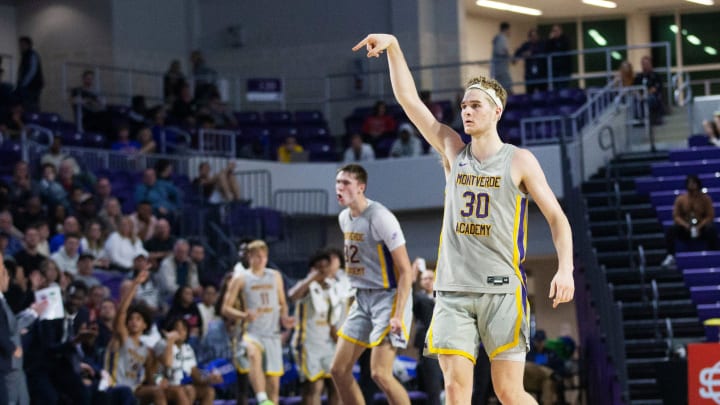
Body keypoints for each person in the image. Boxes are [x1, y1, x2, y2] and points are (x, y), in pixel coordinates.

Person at [352, 33, 575, 405]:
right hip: (453, 290)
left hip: (502, 290)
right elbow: (410, 101)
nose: (467, 111)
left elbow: (557, 217)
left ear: (496, 111)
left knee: (508, 391)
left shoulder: (519, 160)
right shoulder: (453, 149)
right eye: (463, 105)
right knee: (455, 389)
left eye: (475, 105)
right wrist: (394, 46)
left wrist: (565, 267)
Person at [330, 164, 414, 405]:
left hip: (388, 298)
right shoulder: (344, 217)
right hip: (362, 298)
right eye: (337, 182)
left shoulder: (380, 217)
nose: (339, 187)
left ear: (361, 187)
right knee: (338, 370)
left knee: (380, 373)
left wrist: (398, 314)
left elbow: (406, 271)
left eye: (345, 182)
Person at [221, 240, 295, 405]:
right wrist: (243, 315)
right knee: (253, 355)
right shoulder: (240, 278)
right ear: (249, 257)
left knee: (274, 387)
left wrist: (285, 317)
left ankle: (267, 400)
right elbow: (225, 308)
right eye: (257, 256)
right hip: (251, 331)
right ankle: (261, 398)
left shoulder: (275, 276)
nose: (261, 260)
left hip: (273, 333)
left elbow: (282, 303)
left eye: (263, 256)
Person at [288, 250, 348, 405]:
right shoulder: (306, 287)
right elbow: (292, 296)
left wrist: (338, 340)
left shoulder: (332, 289)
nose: (322, 270)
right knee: (314, 386)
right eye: (318, 267)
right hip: (307, 344)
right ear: (312, 270)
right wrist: (311, 278)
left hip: (327, 344)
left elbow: (332, 319)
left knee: (336, 385)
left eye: (325, 266)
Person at [105, 268, 167, 404]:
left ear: (145, 325)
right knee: (128, 393)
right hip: (113, 387)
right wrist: (135, 284)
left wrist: (159, 379)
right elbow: (121, 311)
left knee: (160, 391)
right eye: (131, 319)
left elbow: (151, 375)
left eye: (138, 319)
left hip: (134, 389)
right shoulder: (121, 337)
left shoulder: (147, 350)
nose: (134, 322)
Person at [661, 174, 718, 267]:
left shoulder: (705, 199)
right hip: (686, 229)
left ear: (698, 184)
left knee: (711, 229)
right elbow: (676, 216)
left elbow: (710, 216)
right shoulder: (680, 199)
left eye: (693, 183)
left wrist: (699, 227)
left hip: (701, 228)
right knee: (671, 230)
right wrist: (686, 225)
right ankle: (670, 255)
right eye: (689, 183)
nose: (691, 185)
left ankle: (714, 256)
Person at [633, 55, 664, 125]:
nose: (645, 66)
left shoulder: (656, 76)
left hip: (652, 97)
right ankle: (638, 119)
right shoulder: (638, 77)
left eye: (647, 64)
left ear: (650, 64)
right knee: (634, 100)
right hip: (640, 97)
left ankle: (652, 118)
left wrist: (645, 95)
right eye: (643, 64)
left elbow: (655, 88)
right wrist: (639, 95)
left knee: (649, 99)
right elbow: (634, 88)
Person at [15, 36, 44, 112]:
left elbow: (32, 71)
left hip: (32, 87)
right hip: (28, 86)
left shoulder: (32, 55)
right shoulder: (25, 56)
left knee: (31, 107)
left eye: (22, 44)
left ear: (28, 45)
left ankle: (33, 122)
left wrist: (23, 84)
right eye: (20, 45)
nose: (20, 47)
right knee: (26, 106)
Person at [514, 28, 547, 94]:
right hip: (530, 75)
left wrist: (531, 52)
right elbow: (518, 53)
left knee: (543, 93)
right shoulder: (526, 45)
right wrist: (522, 54)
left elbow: (543, 51)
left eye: (535, 36)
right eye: (532, 36)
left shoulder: (542, 44)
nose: (533, 38)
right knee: (530, 93)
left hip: (541, 74)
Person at [545, 25, 572, 89]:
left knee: (563, 87)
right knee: (555, 87)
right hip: (554, 69)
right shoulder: (551, 41)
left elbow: (566, 49)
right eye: (554, 31)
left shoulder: (565, 39)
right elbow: (546, 50)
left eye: (557, 30)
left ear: (561, 31)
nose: (555, 32)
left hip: (564, 68)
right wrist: (550, 40)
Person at [491, 22, 513, 94]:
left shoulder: (499, 38)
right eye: (509, 30)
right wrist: (509, 55)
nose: (510, 32)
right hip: (501, 69)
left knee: (503, 86)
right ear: (506, 29)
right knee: (506, 86)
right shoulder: (502, 38)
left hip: (499, 69)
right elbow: (500, 51)